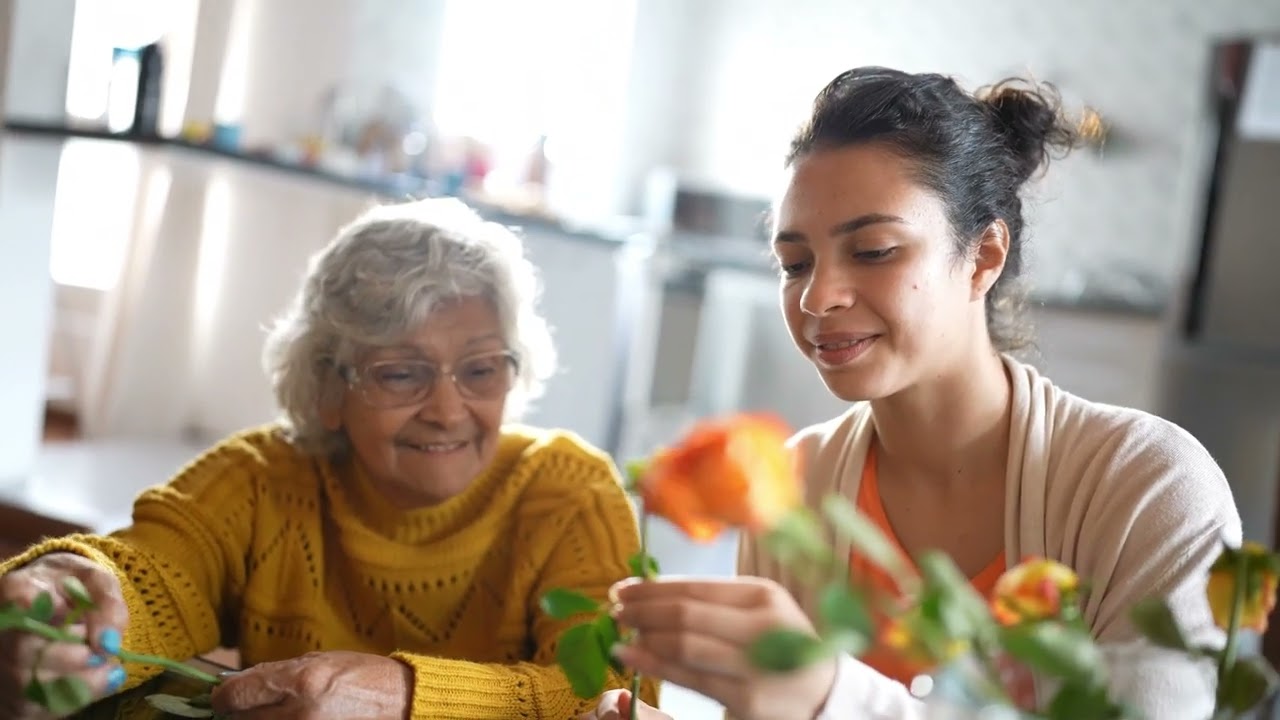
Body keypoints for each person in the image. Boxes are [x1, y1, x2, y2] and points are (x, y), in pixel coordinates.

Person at [587, 67, 1241, 720]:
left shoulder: (1149, 487)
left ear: (983, 257)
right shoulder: (793, 484)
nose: (817, 297)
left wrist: (830, 695)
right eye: (795, 264)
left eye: (873, 250)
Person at [0, 198, 654, 719]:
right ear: (327, 388)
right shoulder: (262, 479)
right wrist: (71, 595)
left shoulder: (570, 492)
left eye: (481, 369)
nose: (449, 410)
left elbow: (617, 693)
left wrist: (404, 697)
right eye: (401, 374)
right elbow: (153, 571)